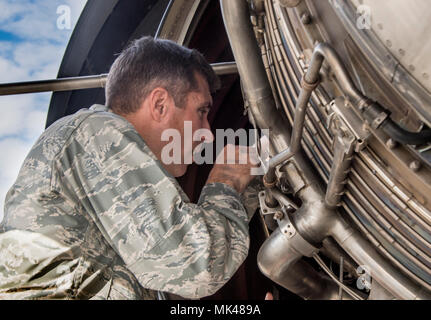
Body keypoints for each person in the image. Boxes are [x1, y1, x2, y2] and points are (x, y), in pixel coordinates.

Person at [0, 36, 261, 299]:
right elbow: (194, 267)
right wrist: (226, 182)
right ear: (160, 104)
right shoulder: (97, 132)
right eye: (201, 111)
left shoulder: (133, 222)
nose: (208, 134)